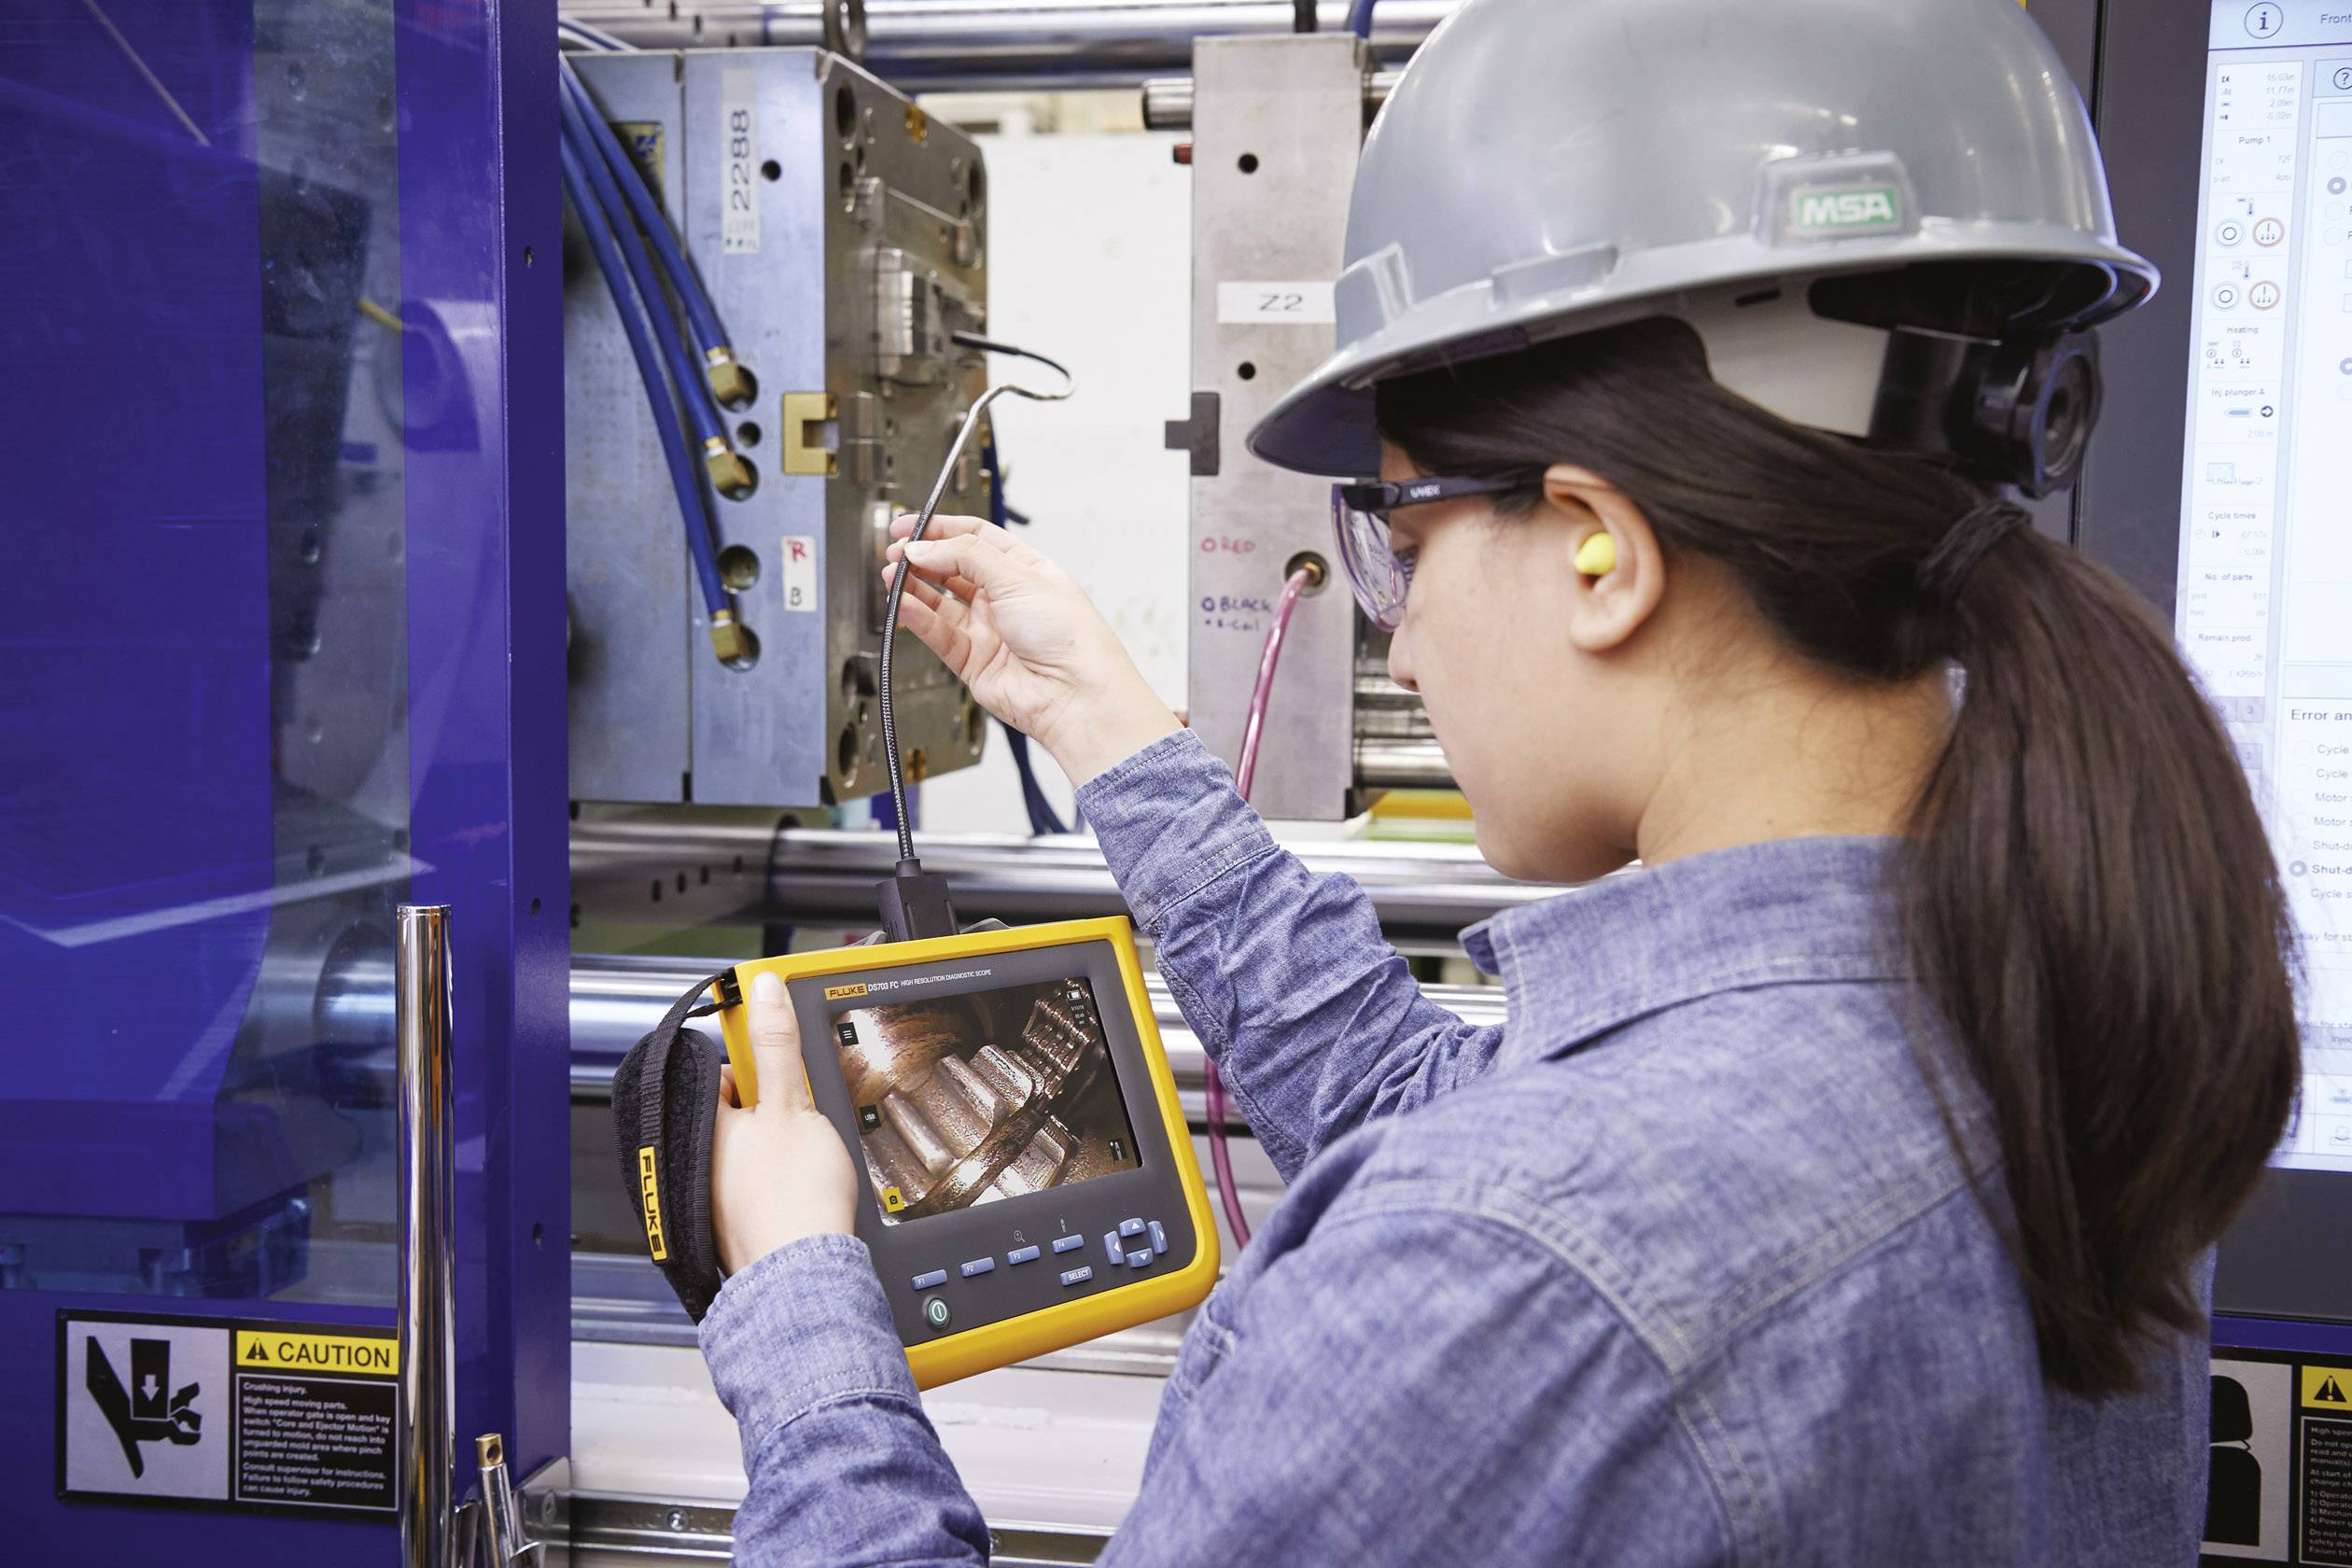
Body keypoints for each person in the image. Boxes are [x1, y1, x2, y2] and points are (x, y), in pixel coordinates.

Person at [693, 0, 2301, 1561]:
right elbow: (1481, 1128)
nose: (1400, 648)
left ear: (1603, 552)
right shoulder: (2070, 1026)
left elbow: (1520, 1230)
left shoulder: (1508, 1272)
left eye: (1398, 548)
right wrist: (1111, 732)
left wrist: (805, 1320)